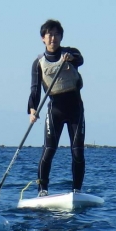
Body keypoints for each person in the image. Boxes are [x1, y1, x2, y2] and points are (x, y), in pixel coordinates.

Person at [28, 19, 85, 196]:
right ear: (43, 39)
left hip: (75, 109)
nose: (53, 38)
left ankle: (76, 189)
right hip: (55, 110)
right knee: (49, 150)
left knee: (77, 151)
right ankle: (42, 190)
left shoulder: (70, 52)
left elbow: (80, 59)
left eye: (56, 34)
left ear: (61, 37)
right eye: (49, 35)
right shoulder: (38, 62)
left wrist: (71, 58)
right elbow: (35, 89)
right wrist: (32, 109)